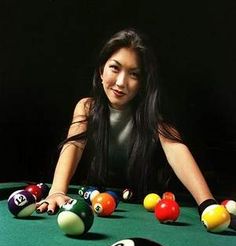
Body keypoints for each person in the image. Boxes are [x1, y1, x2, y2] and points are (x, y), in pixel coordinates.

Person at [36, 28, 216, 218]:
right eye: (115, 67)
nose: (121, 82)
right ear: (101, 71)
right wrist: (57, 191)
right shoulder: (86, 107)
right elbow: (74, 145)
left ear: (142, 83)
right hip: (97, 198)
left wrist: (208, 204)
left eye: (134, 74)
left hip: (143, 202)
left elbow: (176, 151)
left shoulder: (153, 114)